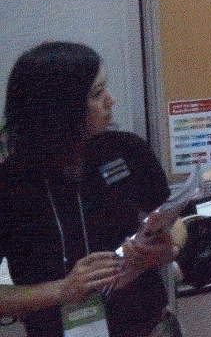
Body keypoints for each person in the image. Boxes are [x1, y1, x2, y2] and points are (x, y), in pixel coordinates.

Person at [0, 42, 180, 337]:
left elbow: (174, 220)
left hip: (148, 326)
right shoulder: (10, 183)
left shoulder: (127, 149)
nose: (111, 100)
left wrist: (163, 249)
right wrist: (62, 290)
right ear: (59, 107)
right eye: (97, 94)